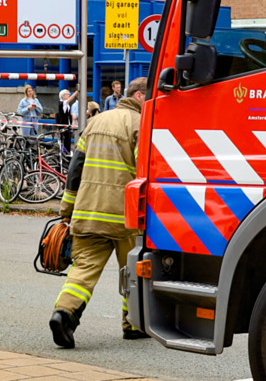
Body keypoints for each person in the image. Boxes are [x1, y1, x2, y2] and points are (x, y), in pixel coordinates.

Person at [50, 77, 150, 348]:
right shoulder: (141, 124)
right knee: (133, 271)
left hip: (88, 211)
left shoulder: (95, 121)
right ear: (140, 96)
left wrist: (67, 209)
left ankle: (64, 314)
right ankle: (133, 324)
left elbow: (75, 170)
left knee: (83, 269)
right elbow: (146, 173)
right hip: (125, 216)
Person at [55, 88, 79, 153]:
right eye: (67, 94)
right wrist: (76, 92)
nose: (68, 95)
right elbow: (69, 100)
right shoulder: (62, 103)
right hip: (63, 125)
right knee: (64, 142)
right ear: (62, 96)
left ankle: (67, 154)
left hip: (68, 125)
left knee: (68, 141)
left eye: (69, 94)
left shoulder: (67, 105)